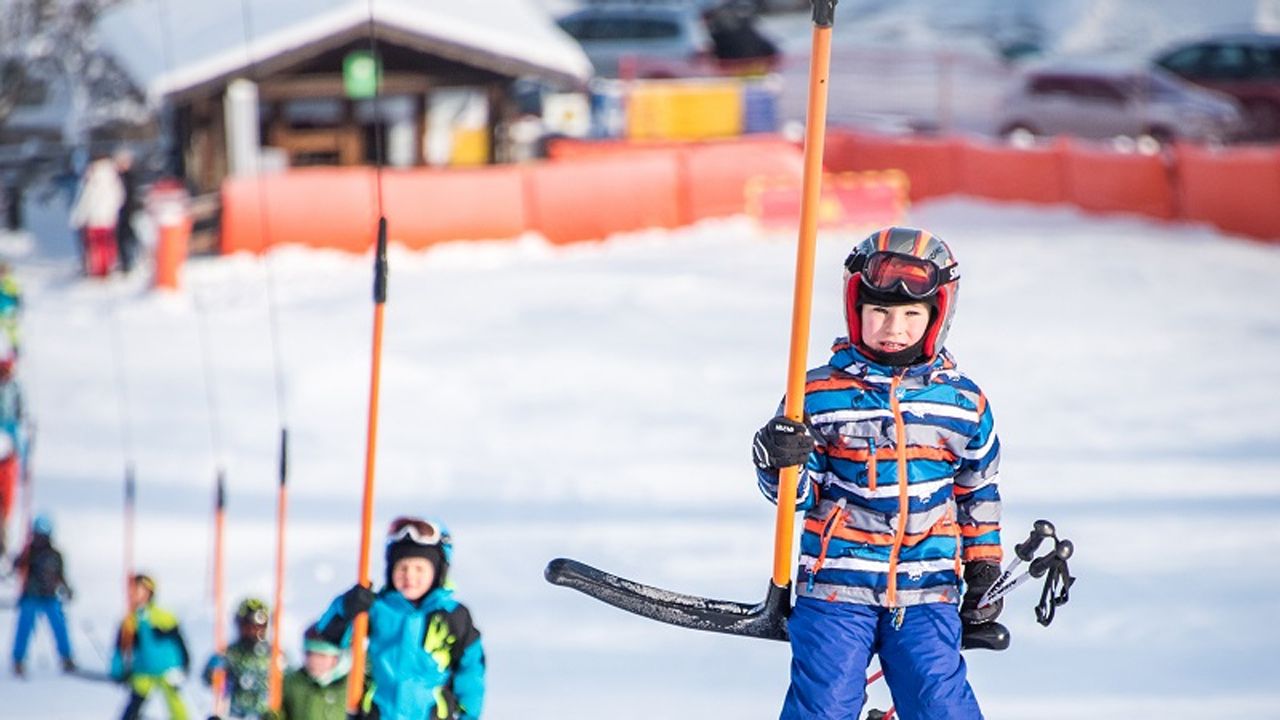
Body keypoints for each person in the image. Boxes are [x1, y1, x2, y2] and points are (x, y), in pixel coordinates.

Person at [752, 226, 1003, 720]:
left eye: (911, 314)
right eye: (880, 312)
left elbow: (978, 490)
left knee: (940, 703)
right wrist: (777, 460)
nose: (894, 328)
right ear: (856, 310)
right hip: (836, 588)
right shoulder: (817, 395)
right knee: (824, 705)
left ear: (937, 316)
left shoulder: (962, 403)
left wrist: (983, 570)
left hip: (927, 589)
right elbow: (799, 496)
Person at [314, 516, 485, 720]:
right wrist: (345, 608)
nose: (409, 576)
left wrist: (469, 715)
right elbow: (327, 637)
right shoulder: (376, 608)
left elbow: (471, 671)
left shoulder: (454, 616)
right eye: (402, 568)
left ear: (438, 572)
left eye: (419, 569)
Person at [110, 573, 191, 720]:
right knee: (135, 704)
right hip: (143, 669)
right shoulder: (129, 621)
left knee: (176, 704)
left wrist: (185, 664)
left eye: (141, 590)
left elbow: (179, 642)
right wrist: (118, 671)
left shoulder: (165, 617)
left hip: (167, 669)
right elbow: (120, 650)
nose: (137, 594)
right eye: (134, 590)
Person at [9, 513, 75, 676]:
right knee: (24, 627)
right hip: (31, 596)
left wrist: (67, 589)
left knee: (59, 626)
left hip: (49, 597)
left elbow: (60, 575)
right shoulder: (29, 552)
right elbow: (16, 566)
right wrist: (22, 559)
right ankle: (18, 659)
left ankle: (66, 657)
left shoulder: (55, 555)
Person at [202, 596, 278, 719]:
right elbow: (208, 679)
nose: (252, 632)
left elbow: (290, 685)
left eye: (257, 627)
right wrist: (214, 672)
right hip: (235, 715)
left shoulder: (274, 655)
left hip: (264, 715)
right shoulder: (230, 654)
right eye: (247, 627)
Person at [265, 624, 351, 720]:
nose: (314, 661)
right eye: (309, 654)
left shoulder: (351, 686)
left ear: (336, 658)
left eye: (321, 656)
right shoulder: (291, 683)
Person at [69, 153, 125, 278]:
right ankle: (107, 267)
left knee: (95, 245)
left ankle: (97, 269)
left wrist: (79, 217)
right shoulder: (113, 177)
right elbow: (119, 197)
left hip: (93, 218)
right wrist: (113, 211)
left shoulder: (92, 179)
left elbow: (85, 200)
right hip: (108, 218)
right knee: (107, 243)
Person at [114, 149, 141, 274]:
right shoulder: (122, 177)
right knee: (126, 236)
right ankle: (127, 261)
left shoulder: (128, 177)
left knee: (127, 237)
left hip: (127, 211)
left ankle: (129, 261)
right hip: (125, 210)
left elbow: (129, 195)